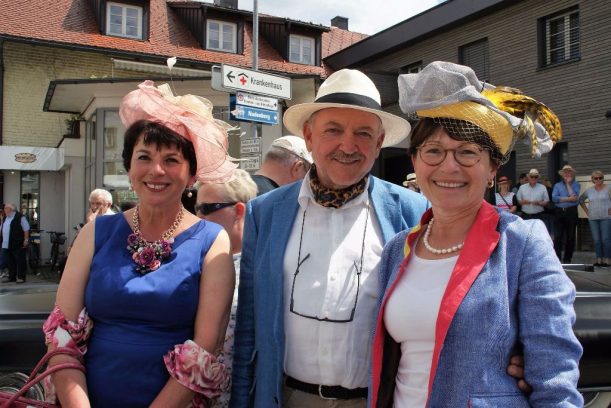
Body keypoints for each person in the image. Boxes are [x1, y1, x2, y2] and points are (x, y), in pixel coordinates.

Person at [369, 61, 582, 407]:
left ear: (492, 167)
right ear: (415, 161)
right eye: (433, 151)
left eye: (467, 152)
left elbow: (556, 383)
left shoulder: (523, 244)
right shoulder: (398, 248)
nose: (448, 166)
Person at [231, 69, 429, 407]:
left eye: (363, 133)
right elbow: (249, 325)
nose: (348, 145)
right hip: (286, 397)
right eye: (333, 130)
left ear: (379, 143)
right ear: (309, 137)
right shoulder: (265, 213)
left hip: (373, 399)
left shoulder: (412, 211)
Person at [42, 80, 236, 407]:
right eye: (144, 157)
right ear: (130, 166)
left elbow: (206, 347)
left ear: (192, 175)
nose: (156, 171)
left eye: (172, 160)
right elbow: (61, 337)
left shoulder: (212, 241)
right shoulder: (95, 233)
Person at [195, 169, 258, 408]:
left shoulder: (261, 267)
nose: (197, 216)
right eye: (196, 207)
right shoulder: (193, 260)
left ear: (239, 211)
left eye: (206, 209)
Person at [579, 170, 611, 267]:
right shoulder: (589, 190)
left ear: (603, 178)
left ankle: (607, 260)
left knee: (605, 239)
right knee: (597, 240)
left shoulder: (609, 188)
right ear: (592, 179)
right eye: (596, 178)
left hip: (606, 217)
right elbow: (581, 200)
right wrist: (587, 211)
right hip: (593, 218)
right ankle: (599, 259)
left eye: (600, 178)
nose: (598, 180)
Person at [552, 165, 580, 263]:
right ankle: (557, 259)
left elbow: (575, 197)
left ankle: (567, 259)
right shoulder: (557, 185)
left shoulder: (576, 184)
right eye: (565, 172)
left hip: (571, 211)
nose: (567, 174)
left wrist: (568, 184)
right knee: (558, 236)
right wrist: (568, 199)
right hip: (559, 212)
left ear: (572, 173)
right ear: (563, 174)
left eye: (569, 172)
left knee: (570, 236)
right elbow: (554, 198)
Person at [0, 203, 30, 283]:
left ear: (11, 209)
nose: (4, 210)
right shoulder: (5, 217)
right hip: (6, 243)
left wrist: (26, 240)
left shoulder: (20, 217)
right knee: (10, 261)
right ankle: (11, 277)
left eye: (6, 208)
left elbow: (26, 229)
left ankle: (21, 277)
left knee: (20, 260)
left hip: (17, 242)